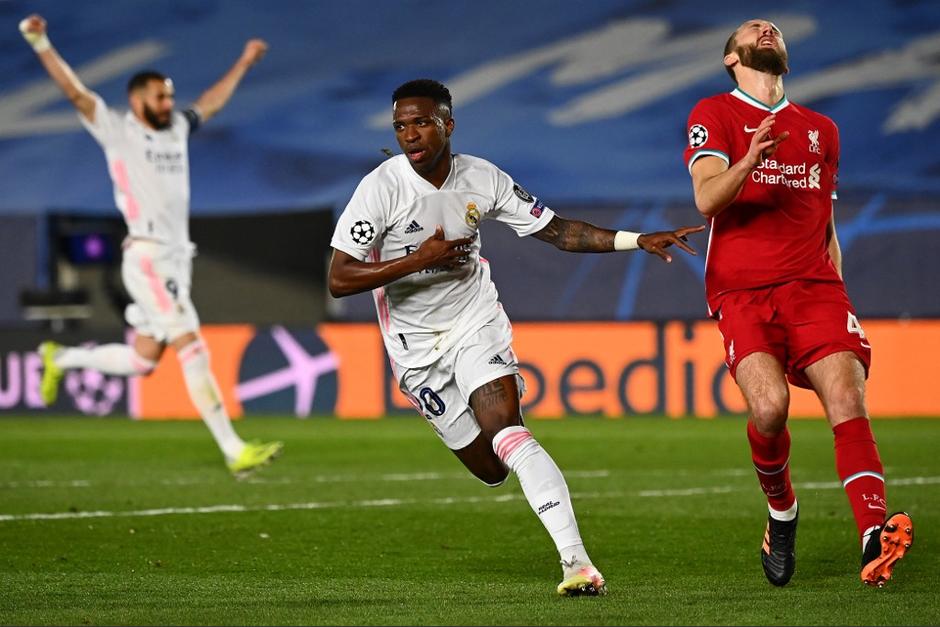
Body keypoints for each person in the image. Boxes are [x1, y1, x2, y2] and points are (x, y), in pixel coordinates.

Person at [329, 78, 704, 596]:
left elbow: (558, 231)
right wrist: (420, 259)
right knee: (490, 469)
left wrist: (635, 239)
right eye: (400, 126)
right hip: (414, 350)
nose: (409, 135)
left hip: (474, 321)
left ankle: (577, 564)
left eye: (420, 123)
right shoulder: (380, 188)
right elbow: (339, 278)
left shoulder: (481, 178)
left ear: (447, 124)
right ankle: (495, 414)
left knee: (507, 429)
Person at [684, 19, 913, 587]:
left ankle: (872, 534)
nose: (766, 28)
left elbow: (825, 221)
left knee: (846, 395)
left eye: (774, 28)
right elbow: (709, 198)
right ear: (730, 58)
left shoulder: (821, 129)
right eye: (752, 29)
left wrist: (836, 290)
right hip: (741, 291)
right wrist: (750, 159)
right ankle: (781, 513)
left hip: (814, 289)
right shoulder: (713, 114)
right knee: (768, 409)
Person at [19, 14, 283, 477]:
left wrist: (243, 62)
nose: (168, 102)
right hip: (148, 256)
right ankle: (232, 449)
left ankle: (60, 357)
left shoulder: (177, 128)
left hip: (175, 258)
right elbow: (76, 92)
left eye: (170, 95)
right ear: (136, 99)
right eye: (160, 96)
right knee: (191, 342)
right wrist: (40, 41)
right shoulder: (117, 130)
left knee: (144, 361)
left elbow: (210, 104)